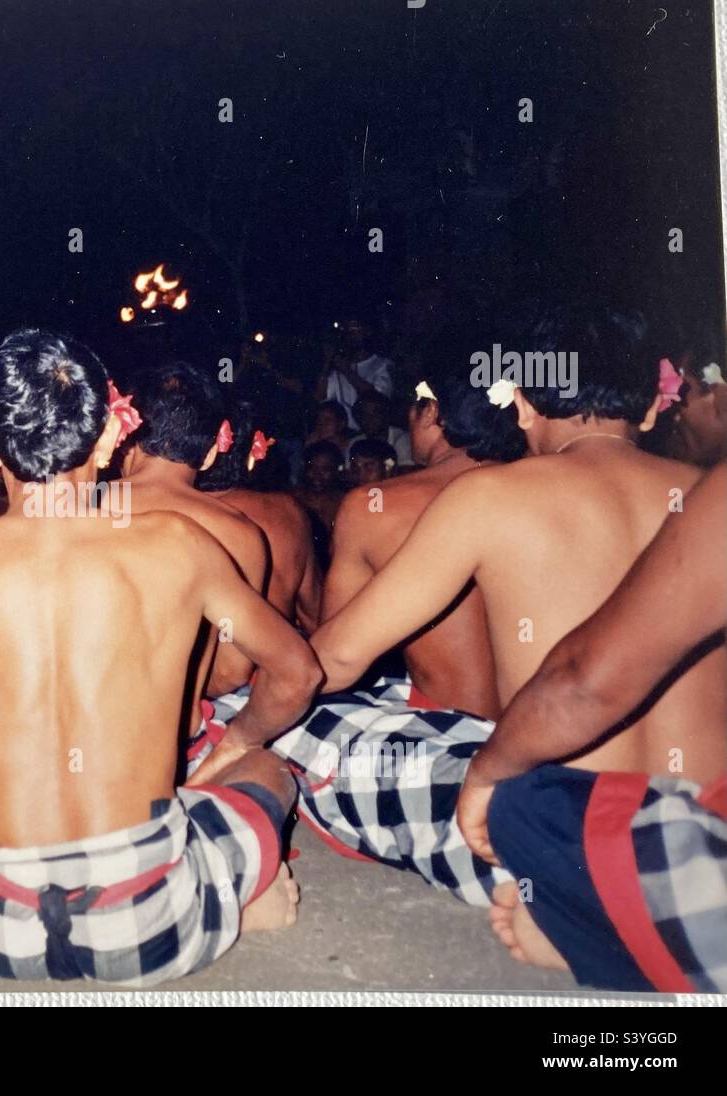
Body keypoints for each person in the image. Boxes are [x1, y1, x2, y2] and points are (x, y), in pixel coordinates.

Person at [0, 329, 320, 985]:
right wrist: (236, 743)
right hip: (155, 923)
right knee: (267, 772)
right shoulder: (176, 544)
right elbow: (297, 673)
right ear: (107, 439)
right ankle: (229, 900)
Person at [273, 305, 705, 908]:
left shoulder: (490, 496)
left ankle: (589, 915)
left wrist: (241, 733)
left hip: (567, 844)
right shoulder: (709, 497)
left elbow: (335, 658)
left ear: (522, 404)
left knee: (298, 722)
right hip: (707, 833)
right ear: (657, 405)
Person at [456, 462, 726, 992]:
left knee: (517, 796)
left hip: (668, 835)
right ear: (651, 411)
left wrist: (485, 774)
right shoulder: (689, 481)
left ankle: (619, 933)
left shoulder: (484, 495)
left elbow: (582, 685)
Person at [323, 357, 523, 719]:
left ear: (431, 412)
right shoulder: (549, 491)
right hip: (548, 737)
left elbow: (333, 656)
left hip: (455, 735)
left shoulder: (372, 506)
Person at [115, 361, 270, 709]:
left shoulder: (78, 508)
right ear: (211, 452)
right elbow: (231, 672)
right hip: (173, 728)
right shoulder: (240, 533)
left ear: (124, 437)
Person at [195, 400, 321, 633]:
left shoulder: (177, 514)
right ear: (254, 453)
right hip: (273, 661)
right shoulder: (288, 511)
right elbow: (313, 614)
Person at [319, 315, 395, 429]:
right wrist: (327, 362)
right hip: (347, 436)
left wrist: (347, 371)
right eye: (348, 331)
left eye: (356, 330)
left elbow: (379, 398)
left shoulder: (383, 365)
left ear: (368, 332)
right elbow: (321, 397)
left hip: (375, 433)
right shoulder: (339, 370)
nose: (352, 335)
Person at [291, 439, 346, 567]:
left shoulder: (344, 502)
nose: (317, 475)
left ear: (336, 471)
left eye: (325, 469)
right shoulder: (292, 500)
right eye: (312, 467)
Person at [348, 388, 413, 466]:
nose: (370, 419)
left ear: (386, 415)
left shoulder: (401, 439)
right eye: (364, 414)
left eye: (376, 413)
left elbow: (406, 471)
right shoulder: (355, 443)